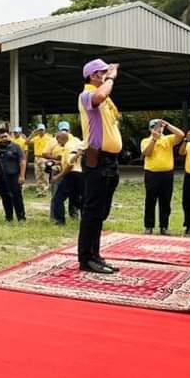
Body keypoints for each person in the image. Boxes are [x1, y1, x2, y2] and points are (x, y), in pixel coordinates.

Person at [77, 59, 122, 275]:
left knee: (101, 212)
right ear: (95, 76)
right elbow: (99, 96)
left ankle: (96, 255)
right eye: (103, 72)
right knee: (92, 211)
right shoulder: (87, 95)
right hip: (98, 160)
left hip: (110, 161)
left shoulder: (106, 99)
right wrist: (111, 77)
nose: (108, 75)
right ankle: (86, 258)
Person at [140, 118, 184, 235]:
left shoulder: (168, 139)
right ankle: (149, 226)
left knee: (165, 201)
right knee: (150, 200)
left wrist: (168, 125)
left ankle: (164, 226)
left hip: (167, 174)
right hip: (151, 174)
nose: (158, 129)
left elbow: (181, 135)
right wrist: (154, 140)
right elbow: (146, 153)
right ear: (150, 129)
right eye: (155, 127)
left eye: (160, 126)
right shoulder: (145, 140)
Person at [0, 127, 26, 222]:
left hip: (14, 175)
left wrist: (22, 176)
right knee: (5, 197)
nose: (4, 138)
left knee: (16, 196)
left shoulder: (16, 147)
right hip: (0, 176)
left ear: (9, 136)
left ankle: (21, 217)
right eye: (2, 137)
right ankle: (9, 217)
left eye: (6, 136)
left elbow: (22, 161)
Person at [49, 129, 85, 225]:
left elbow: (70, 165)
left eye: (57, 139)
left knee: (58, 198)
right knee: (76, 199)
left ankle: (60, 221)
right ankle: (88, 217)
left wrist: (58, 176)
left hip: (72, 175)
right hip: (80, 175)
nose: (57, 142)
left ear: (62, 138)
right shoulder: (73, 144)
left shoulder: (69, 147)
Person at [29, 124, 56, 196]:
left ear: (45, 130)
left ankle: (45, 191)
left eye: (42, 130)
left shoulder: (49, 137)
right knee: (38, 174)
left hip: (45, 157)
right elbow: (27, 142)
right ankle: (39, 191)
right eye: (39, 130)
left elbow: (54, 145)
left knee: (45, 174)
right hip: (37, 157)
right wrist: (32, 134)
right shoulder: (35, 138)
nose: (41, 131)